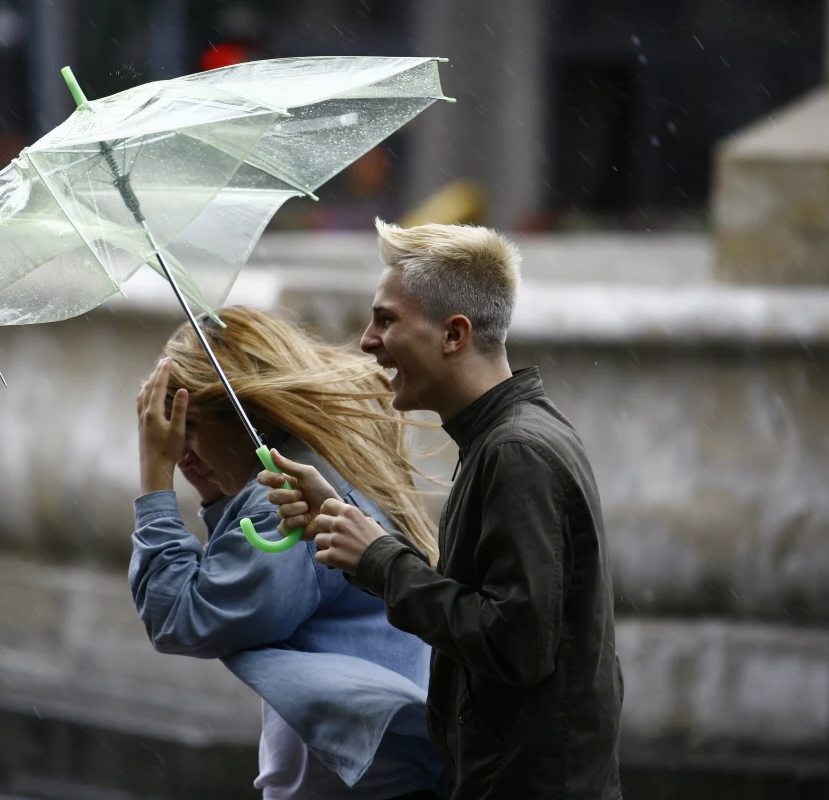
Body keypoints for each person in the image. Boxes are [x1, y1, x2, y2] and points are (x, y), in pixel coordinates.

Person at [258, 220, 624, 800]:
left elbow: (515, 644)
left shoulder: (516, 451)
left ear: (454, 334)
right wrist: (344, 524)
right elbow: (494, 614)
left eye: (386, 320)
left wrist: (380, 560)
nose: (367, 342)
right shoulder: (510, 438)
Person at [130, 306, 447, 800]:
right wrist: (216, 493)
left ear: (251, 413)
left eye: (189, 427)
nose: (181, 454)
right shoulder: (328, 463)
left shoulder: (284, 497)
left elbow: (181, 619)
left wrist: (155, 476)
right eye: (171, 439)